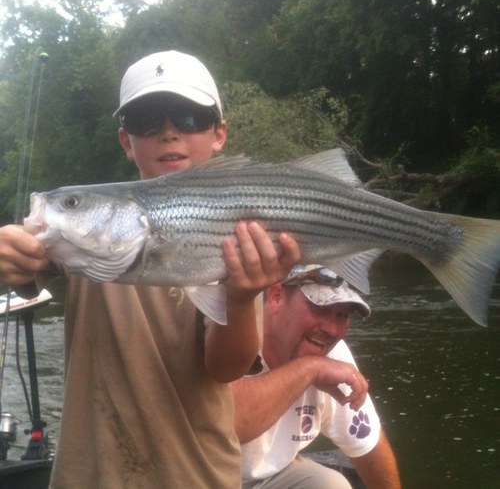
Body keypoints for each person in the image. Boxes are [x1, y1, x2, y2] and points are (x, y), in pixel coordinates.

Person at [0, 50, 301, 488]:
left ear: (219, 134)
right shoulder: (73, 240)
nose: (168, 133)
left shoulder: (242, 224)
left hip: (197, 476)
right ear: (126, 141)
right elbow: (23, 254)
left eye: (189, 116)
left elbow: (225, 369)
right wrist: (8, 253)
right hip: (89, 476)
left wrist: (240, 297)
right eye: (146, 119)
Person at [232, 264, 401, 488]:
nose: (332, 330)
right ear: (276, 297)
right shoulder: (231, 330)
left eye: (342, 315)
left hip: (269, 478)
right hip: (199, 474)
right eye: (320, 308)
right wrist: (310, 369)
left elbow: (368, 446)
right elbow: (228, 425)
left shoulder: (331, 353)